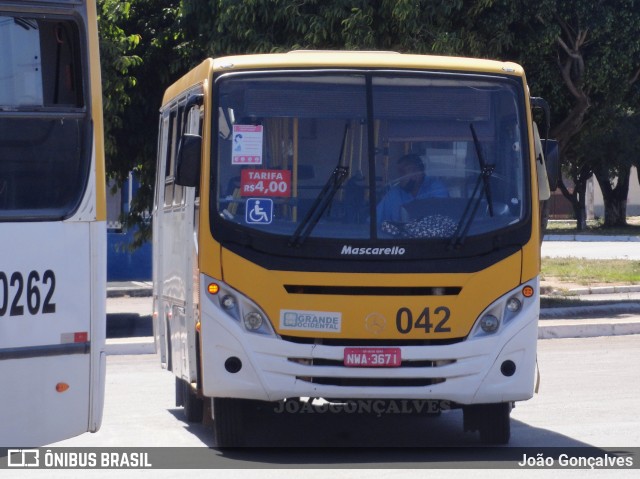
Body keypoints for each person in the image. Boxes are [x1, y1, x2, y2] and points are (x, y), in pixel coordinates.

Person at [376, 154, 448, 225]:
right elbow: (374, 222)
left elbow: (440, 218)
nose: (400, 178)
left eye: (402, 172)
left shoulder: (436, 188)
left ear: (415, 172)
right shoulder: (395, 193)